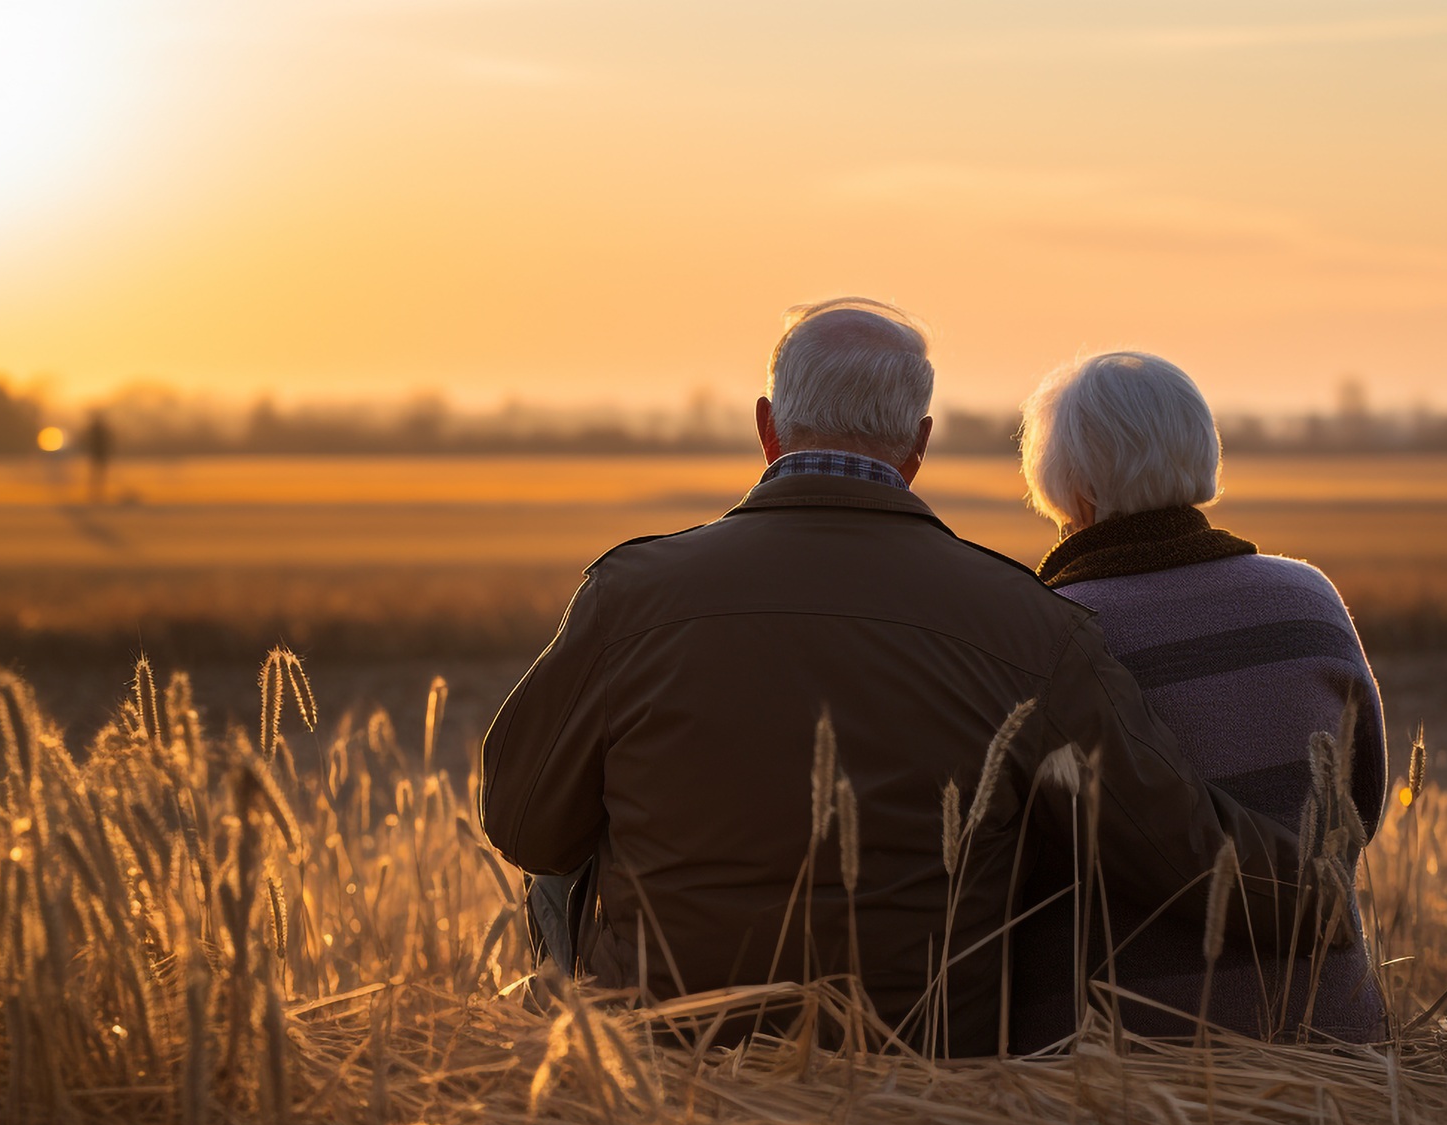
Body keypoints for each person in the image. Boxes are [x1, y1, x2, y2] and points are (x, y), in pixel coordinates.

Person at [481, 300, 1324, 1056]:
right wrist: (1315, 894)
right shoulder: (1029, 623)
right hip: (919, 1074)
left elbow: (524, 824)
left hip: (665, 1057)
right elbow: (1179, 852)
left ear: (769, 428)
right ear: (918, 446)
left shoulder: (630, 594)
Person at [1013, 351, 1387, 1044]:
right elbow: (1360, 807)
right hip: (1330, 1037)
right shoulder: (1309, 601)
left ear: (1073, 491)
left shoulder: (1044, 633)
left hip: (1116, 1060)